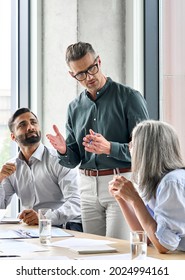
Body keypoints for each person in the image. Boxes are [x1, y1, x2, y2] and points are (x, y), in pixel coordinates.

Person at [46, 41, 149, 239]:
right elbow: (73, 159)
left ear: (99, 61)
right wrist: (63, 150)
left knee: (116, 251)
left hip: (121, 182)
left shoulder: (129, 98)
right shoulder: (74, 107)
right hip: (86, 187)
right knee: (93, 250)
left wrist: (110, 148)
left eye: (92, 68)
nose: (89, 77)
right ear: (72, 75)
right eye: (81, 74)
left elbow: (145, 151)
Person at [0, 108, 82, 232]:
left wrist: (43, 218)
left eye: (33, 122)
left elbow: (76, 202)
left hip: (65, 226)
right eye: (23, 125)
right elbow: (1, 207)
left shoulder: (59, 160)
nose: (30, 127)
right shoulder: (10, 167)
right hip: (31, 229)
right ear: (13, 137)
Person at [109, 120, 185, 252]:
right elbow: (145, 236)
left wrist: (135, 199)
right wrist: (121, 198)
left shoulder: (172, 183)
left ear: (145, 150)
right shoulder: (154, 182)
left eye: (133, 143)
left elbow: (164, 245)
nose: (129, 147)